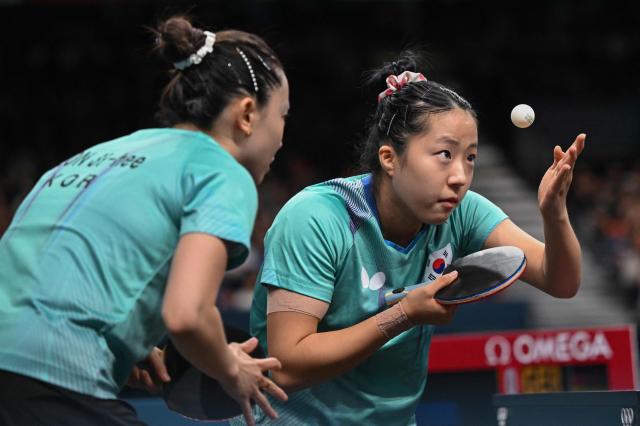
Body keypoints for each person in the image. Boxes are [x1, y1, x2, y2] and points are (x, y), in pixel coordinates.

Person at [241, 51, 585, 425]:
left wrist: (555, 215)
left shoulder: (463, 211)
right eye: (444, 154)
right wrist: (403, 315)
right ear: (390, 158)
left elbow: (560, 281)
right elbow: (289, 365)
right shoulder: (317, 218)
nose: (460, 175)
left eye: (470, 157)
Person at [0, 15, 289, 426]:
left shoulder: (104, 152)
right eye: (282, 115)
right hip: (56, 376)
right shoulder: (222, 172)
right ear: (246, 115)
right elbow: (187, 316)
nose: (282, 137)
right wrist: (230, 367)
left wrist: (130, 341)